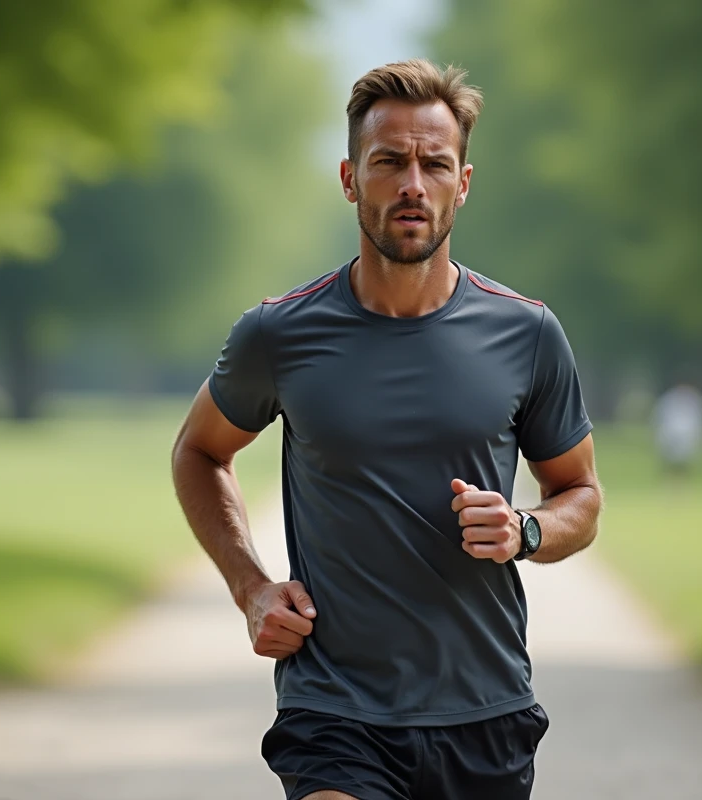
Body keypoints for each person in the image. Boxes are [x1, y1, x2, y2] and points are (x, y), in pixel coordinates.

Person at [171, 59, 603, 800]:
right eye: (390, 162)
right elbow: (200, 451)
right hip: (334, 710)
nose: (413, 184)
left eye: (435, 164)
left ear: (462, 185)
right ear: (349, 178)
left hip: (483, 708)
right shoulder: (279, 332)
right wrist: (250, 589)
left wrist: (525, 531)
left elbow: (582, 496)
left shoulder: (526, 332)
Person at [650, 380, 702, 475]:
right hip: (671, 433)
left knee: (685, 459)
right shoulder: (669, 398)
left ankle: (682, 478)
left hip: (688, 434)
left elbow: (701, 418)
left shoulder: (695, 399)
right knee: (670, 458)